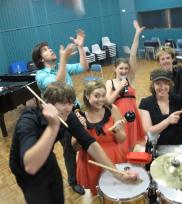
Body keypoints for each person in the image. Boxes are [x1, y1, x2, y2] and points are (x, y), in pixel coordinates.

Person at [9, 81, 138, 204]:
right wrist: (53, 127)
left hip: (48, 157)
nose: (68, 108)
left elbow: (89, 143)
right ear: (47, 104)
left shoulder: (68, 115)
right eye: (63, 103)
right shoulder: (28, 121)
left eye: (70, 103)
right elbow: (31, 166)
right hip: (26, 168)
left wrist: (118, 173)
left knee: (57, 197)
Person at [32, 29, 88, 194]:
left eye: (49, 48)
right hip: (61, 117)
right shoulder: (40, 75)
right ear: (41, 59)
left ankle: (87, 172)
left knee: (84, 143)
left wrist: (80, 47)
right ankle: (73, 181)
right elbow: (58, 85)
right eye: (45, 50)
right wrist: (63, 60)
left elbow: (84, 66)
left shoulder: (60, 66)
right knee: (69, 151)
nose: (50, 49)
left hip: (76, 110)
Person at [73, 80, 126, 195]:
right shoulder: (79, 115)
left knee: (116, 192)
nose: (101, 99)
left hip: (113, 158)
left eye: (103, 95)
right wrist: (81, 131)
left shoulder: (112, 109)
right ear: (87, 96)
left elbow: (122, 139)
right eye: (96, 96)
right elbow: (76, 147)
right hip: (91, 161)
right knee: (97, 194)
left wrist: (116, 130)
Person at [105, 20, 145, 155]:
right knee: (120, 144)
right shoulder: (109, 83)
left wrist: (136, 35)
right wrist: (118, 89)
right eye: (121, 68)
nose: (123, 71)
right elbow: (108, 102)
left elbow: (132, 55)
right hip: (118, 118)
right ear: (115, 69)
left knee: (132, 144)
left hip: (132, 116)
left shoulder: (129, 79)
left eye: (126, 68)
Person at [139, 69, 182, 153]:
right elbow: (149, 131)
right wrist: (168, 120)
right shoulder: (145, 103)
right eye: (158, 83)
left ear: (170, 84)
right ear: (153, 85)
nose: (162, 87)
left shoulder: (179, 100)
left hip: (177, 150)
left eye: (165, 83)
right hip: (155, 150)